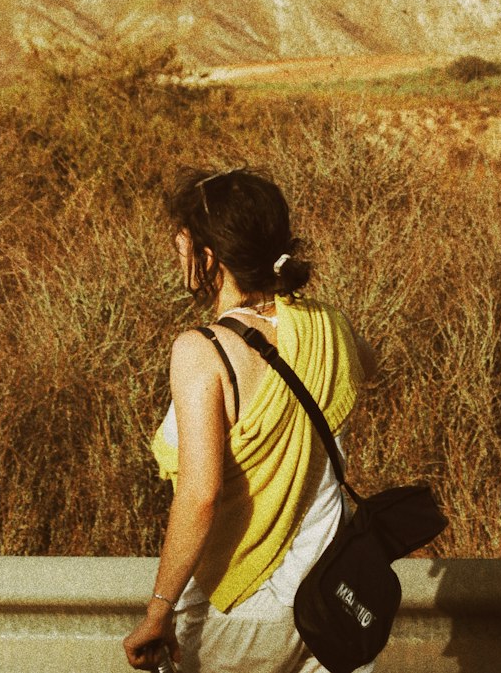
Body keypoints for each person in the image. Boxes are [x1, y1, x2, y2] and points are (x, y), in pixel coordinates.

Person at [123, 167, 378, 673]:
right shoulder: (329, 324)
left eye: (183, 243)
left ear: (209, 257)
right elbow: (368, 368)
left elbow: (200, 496)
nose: (179, 254)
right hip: (332, 599)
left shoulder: (203, 350)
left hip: (241, 609)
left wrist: (158, 611)